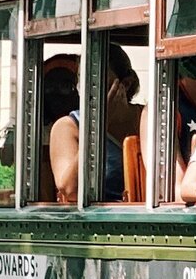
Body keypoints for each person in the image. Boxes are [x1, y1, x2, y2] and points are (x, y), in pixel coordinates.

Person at [48, 44, 142, 204]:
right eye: (82, 81)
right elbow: (70, 190)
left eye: (97, 82)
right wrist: (97, 127)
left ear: (125, 85)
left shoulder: (148, 118)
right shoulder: (68, 127)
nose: (88, 91)